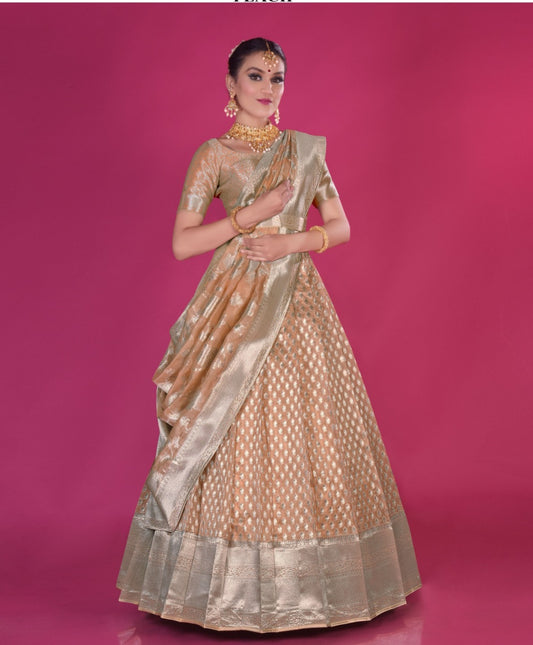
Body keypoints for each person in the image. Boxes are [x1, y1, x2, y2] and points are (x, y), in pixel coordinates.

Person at [116, 37, 422, 633]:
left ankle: (306, 587)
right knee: (227, 424)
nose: (267, 87)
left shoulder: (304, 152)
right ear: (230, 85)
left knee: (305, 426)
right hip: (232, 303)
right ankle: (224, 589)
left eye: (276, 78)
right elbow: (183, 242)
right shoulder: (214, 155)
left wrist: (291, 242)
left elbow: (340, 224)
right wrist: (247, 219)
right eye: (254, 75)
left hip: (297, 300)